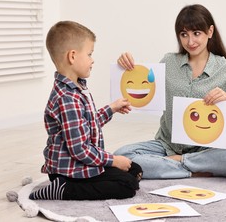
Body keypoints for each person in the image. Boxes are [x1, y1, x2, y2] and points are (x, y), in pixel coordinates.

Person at [114, 4, 226, 179]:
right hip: (167, 146)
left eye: (196, 33)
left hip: (207, 149)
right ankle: (195, 170)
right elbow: (145, 88)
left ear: (210, 32)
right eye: (184, 35)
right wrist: (127, 68)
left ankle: (176, 164)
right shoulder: (168, 62)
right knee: (122, 155)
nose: (190, 41)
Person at [29, 21, 142, 201]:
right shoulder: (67, 98)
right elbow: (80, 149)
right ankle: (63, 190)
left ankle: (77, 184)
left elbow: (87, 124)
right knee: (126, 186)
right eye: (89, 54)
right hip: (70, 171)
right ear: (72, 56)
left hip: (81, 165)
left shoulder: (76, 88)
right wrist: (112, 160)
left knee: (134, 170)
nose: (92, 60)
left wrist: (112, 108)